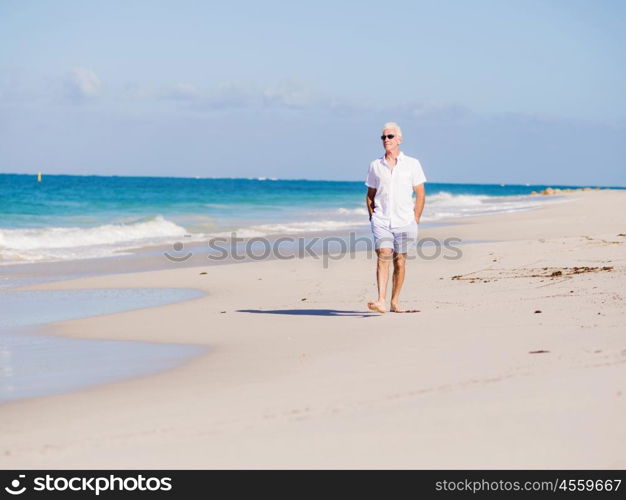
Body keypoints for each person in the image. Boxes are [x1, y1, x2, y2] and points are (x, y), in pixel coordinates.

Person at [365, 122, 426, 313]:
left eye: (390, 136)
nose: (386, 140)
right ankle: (381, 300)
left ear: (399, 139)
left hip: (405, 220)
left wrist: (415, 218)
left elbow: (420, 193)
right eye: (383, 137)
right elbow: (370, 195)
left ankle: (394, 302)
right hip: (382, 219)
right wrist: (372, 217)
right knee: (383, 254)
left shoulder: (412, 164)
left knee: (400, 260)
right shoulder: (376, 165)